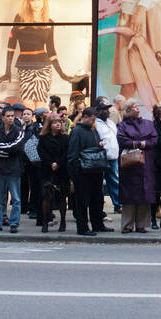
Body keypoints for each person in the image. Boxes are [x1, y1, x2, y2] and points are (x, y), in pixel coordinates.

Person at [0, 0, 81, 109]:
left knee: (40, 105)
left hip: (44, 68)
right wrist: (7, 70)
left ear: (44, 0)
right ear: (28, 3)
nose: (36, 3)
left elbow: (51, 51)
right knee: (27, 104)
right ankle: (30, 128)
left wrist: (62, 74)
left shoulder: (49, 22)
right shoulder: (20, 18)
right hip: (25, 66)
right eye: (32, 0)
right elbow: (11, 46)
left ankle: (39, 127)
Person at [116, 101, 158, 234]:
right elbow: (122, 140)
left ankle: (142, 225)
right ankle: (127, 225)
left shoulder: (148, 123)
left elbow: (154, 139)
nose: (137, 109)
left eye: (137, 106)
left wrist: (136, 142)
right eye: (134, 107)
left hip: (146, 164)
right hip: (129, 164)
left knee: (145, 194)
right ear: (128, 110)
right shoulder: (122, 125)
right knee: (129, 194)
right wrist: (141, 143)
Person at [67, 108, 109, 236]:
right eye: (92, 119)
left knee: (97, 199)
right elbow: (73, 153)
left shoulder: (93, 130)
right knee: (82, 201)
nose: (93, 121)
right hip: (83, 172)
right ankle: (83, 227)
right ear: (85, 116)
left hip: (95, 170)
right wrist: (77, 170)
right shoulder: (77, 131)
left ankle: (98, 224)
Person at [0, 103, 28, 233]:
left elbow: (17, 147)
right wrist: (7, 150)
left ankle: (14, 223)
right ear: (3, 117)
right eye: (8, 116)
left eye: (12, 116)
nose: (11, 118)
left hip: (13, 170)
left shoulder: (19, 131)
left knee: (16, 198)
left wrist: (3, 147)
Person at [38, 113, 71, 231]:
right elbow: (41, 151)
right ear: (49, 125)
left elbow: (67, 152)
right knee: (47, 197)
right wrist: (50, 163)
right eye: (55, 122)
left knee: (62, 197)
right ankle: (45, 221)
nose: (58, 124)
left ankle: (63, 220)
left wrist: (58, 163)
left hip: (61, 170)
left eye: (59, 122)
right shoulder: (43, 137)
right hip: (47, 169)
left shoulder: (65, 137)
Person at [94, 98, 122, 221]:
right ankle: (98, 207)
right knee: (98, 183)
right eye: (104, 110)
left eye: (107, 109)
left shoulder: (110, 122)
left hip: (113, 156)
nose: (107, 111)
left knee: (115, 181)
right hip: (101, 156)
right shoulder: (95, 123)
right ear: (99, 111)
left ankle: (118, 204)